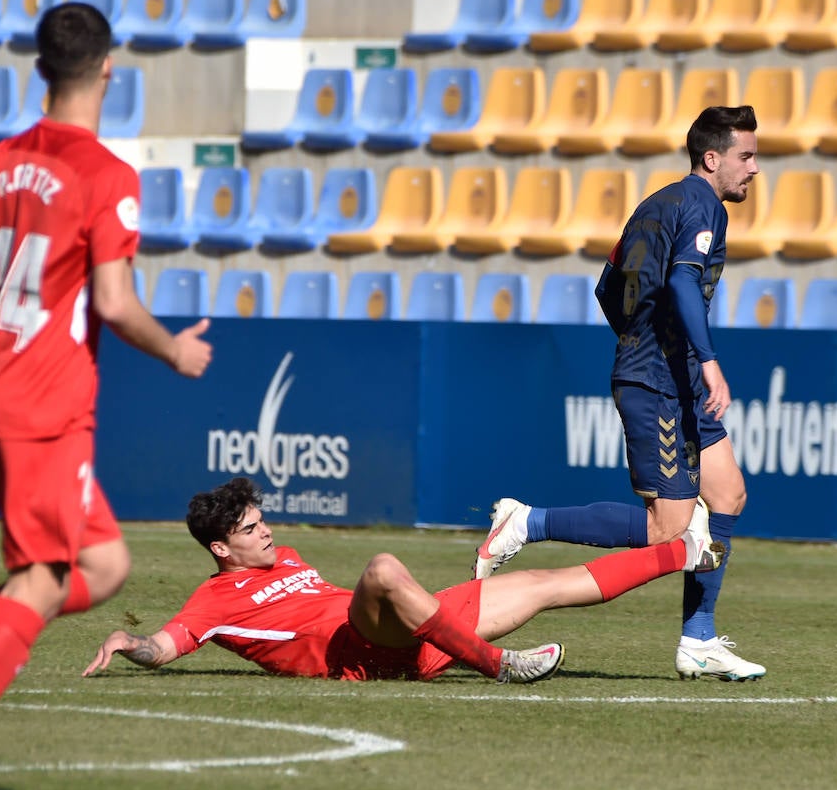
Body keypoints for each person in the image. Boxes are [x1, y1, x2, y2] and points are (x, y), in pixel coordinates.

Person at [0, 2, 214, 790]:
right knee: (42, 577)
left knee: (104, 567)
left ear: (41, 71)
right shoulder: (107, 175)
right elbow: (112, 298)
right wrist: (175, 349)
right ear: (109, 69)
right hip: (47, 406)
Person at [474, 105, 765, 683]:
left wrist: (645, 340)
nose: (754, 169)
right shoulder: (702, 205)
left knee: (728, 493)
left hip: (666, 371)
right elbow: (683, 279)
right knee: (668, 530)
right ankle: (525, 522)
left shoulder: (654, 205)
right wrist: (701, 360)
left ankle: (699, 639)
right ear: (713, 159)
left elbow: (608, 287)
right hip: (662, 380)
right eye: (746, 156)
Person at [82, 477, 724, 683]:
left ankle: (685, 555)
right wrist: (127, 643)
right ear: (220, 547)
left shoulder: (287, 556)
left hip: (413, 627)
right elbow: (165, 647)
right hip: (362, 651)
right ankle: (496, 665)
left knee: (548, 582)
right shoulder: (212, 598)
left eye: (262, 519)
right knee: (384, 567)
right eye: (251, 530)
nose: (267, 531)